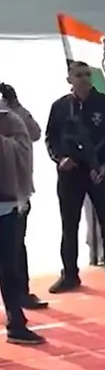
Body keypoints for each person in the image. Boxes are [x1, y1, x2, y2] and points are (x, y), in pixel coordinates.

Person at [45, 60, 105, 293]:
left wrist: (104, 164)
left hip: (99, 171)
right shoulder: (60, 107)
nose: (83, 78)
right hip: (70, 173)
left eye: (86, 74)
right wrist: (59, 158)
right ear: (69, 79)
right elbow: (51, 138)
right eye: (78, 75)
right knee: (69, 224)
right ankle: (70, 274)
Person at [0, 103, 45, 344]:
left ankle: (16, 321)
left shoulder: (10, 118)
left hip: (8, 205)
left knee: (10, 265)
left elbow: (29, 142)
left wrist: (16, 105)